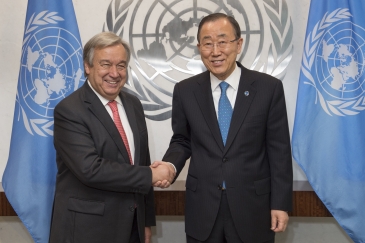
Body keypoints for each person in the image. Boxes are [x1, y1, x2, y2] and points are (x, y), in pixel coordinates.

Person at [153, 13, 293, 243]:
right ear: (199, 48)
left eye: (222, 41)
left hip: (253, 208)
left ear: (238, 44)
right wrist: (169, 165)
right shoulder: (186, 91)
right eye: (207, 43)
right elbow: (182, 140)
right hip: (203, 208)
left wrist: (280, 204)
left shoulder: (269, 88)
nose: (215, 51)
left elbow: (279, 151)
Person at [49, 32, 175, 243]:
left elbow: (141, 161)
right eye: (105, 64)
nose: (114, 73)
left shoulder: (133, 104)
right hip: (87, 231)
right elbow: (91, 169)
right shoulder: (69, 110)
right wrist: (151, 175)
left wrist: (145, 222)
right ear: (88, 67)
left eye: (121, 65)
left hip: (132, 227)